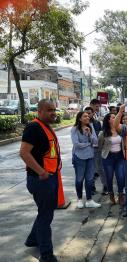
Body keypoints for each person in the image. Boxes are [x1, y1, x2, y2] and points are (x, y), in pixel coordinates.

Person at [20, 99, 60, 262]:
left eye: (54, 110)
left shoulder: (46, 127)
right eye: (49, 110)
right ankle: (46, 254)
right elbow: (24, 153)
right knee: (45, 217)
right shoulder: (33, 128)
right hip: (41, 179)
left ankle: (32, 239)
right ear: (40, 111)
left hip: (50, 177)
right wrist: (41, 172)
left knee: (45, 213)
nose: (53, 113)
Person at [71, 112, 101, 209]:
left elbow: (95, 142)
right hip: (79, 157)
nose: (87, 117)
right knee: (79, 179)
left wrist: (89, 135)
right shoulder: (75, 129)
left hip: (90, 157)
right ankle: (79, 199)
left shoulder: (90, 127)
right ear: (79, 118)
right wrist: (88, 144)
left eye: (88, 116)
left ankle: (89, 200)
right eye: (85, 116)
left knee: (89, 179)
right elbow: (76, 144)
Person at [99, 113, 125, 206]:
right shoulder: (103, 133)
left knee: (120, 177)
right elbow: (100, 147)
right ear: (108, 120)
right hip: (108, 158)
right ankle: (111, 195)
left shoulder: (120, 130)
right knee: (109, 178)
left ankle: (121, 195)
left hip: (119, 157)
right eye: (113, 117)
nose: (116, 118)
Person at [85, 106, 107, 195]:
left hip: (97, 149)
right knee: (90, 170)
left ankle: (105, 186)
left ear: (93, 114)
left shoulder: (98, 123)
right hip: (87, 150)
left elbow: (101, 136)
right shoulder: (81, 125)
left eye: (89, 113)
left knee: (100, 168)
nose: (87, 116)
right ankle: (91, 187)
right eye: (85, 114)